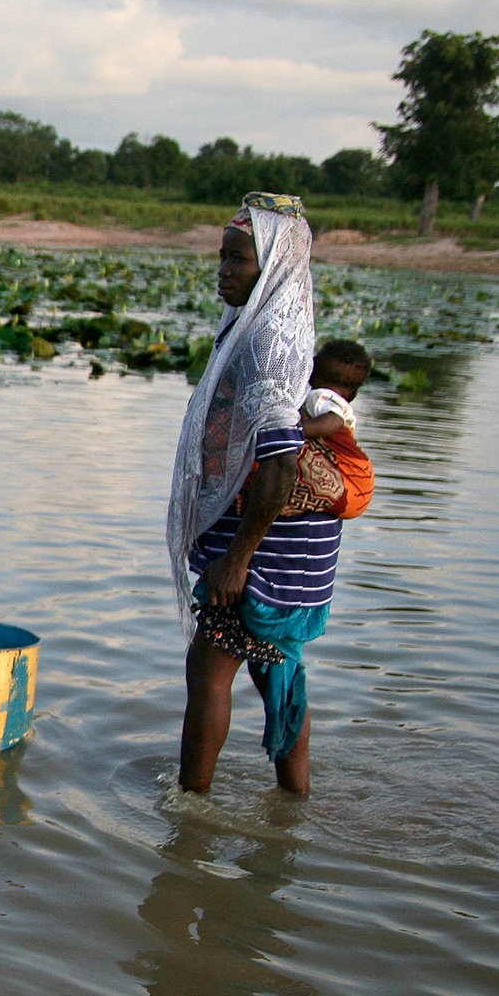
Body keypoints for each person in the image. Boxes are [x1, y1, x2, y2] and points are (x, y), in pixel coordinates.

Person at [168, 193, 337, 797]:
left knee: (209, 675)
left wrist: (237, 558)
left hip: (261, 557)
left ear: (271, 267)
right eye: (223, 256)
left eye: (239, 259)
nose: (224, 270)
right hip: (289, 555)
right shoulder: (262, 323)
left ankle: (190, 811)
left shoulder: (269, 343)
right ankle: (294, 803)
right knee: (276, 671)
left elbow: (281, 465)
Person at [287, 338, 376, 520]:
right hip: (358, 487)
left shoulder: (322, 396)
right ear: (354, 394)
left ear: (310, 373)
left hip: (350, 484)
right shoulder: (340, 402)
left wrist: (291, 431)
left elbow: (333, 421)